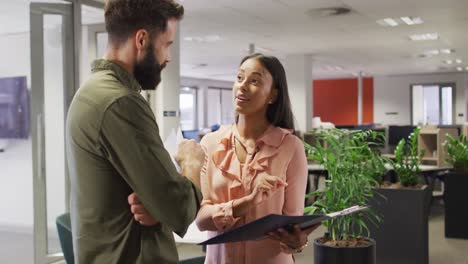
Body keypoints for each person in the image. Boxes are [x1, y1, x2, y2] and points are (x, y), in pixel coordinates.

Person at [129, 53, 319, 263]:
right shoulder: (211, 143)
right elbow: (201, 219)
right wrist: (247, 202)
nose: (243, 86)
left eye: (254, 81)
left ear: (273, 95)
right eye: (239, 78)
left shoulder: (290, 147)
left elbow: (292, 224)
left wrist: (297, 241)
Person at [65, 0, 203, 263]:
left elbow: (147, 195)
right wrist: (193, 164)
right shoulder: (120, 102)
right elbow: (179, 210)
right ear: (142, 39)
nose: (168, 57)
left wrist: (156, 202)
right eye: (167, 44)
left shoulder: (91, 92)